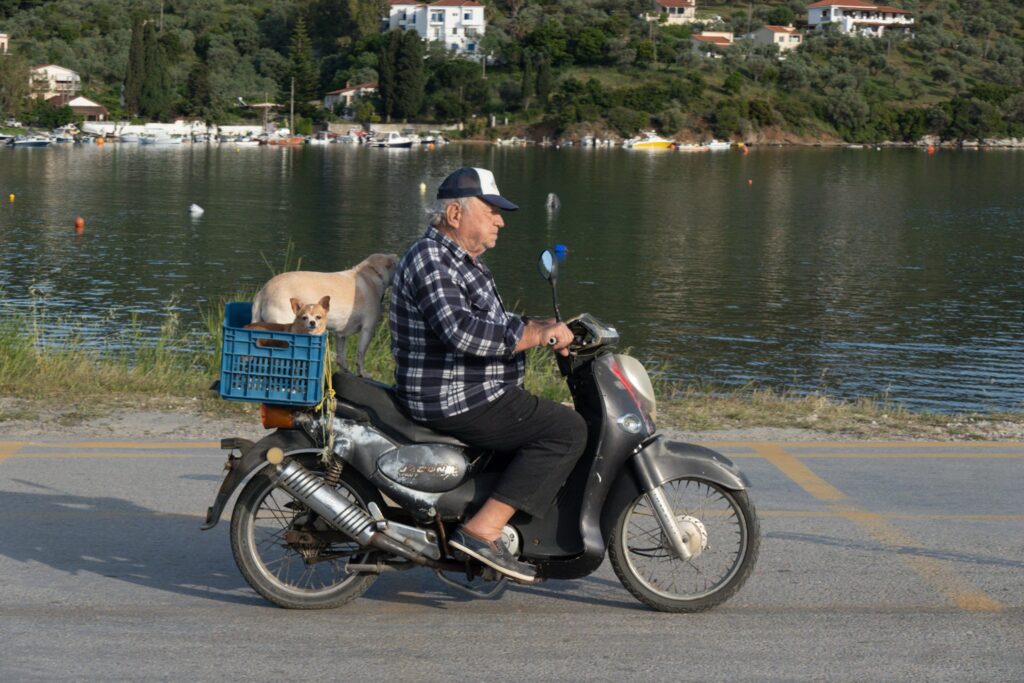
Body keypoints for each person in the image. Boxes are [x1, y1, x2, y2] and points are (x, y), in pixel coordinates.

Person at [389, 167, 588, 583]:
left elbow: (490, 321)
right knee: (566, 430)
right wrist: (536, 336)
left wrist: (538, 325)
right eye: (492, 211)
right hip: (453, 394)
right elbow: (462, 331)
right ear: (456, 214)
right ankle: (483, 530)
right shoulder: (432, 259)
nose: (501, 221)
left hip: (472, 389)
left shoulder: (463, 261)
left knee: (552, 418)